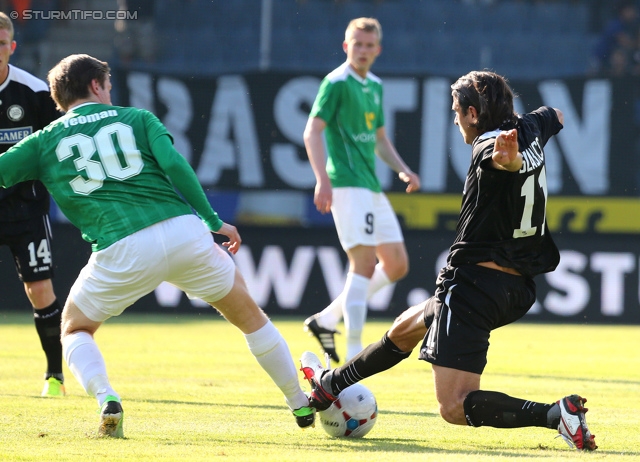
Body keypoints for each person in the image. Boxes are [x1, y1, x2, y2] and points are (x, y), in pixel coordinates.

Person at [0, 53, 314, 437]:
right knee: (251, 317)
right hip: (184, 232)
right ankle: (298, 402)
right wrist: (213, 221)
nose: (110, 93)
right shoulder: (137, 118)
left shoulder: (43, 141)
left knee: (75, 328)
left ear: (57, 98)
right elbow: (176, 167)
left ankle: (106, 399)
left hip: (121, 248)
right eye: (108, 86)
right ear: (96, 85)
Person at [300, 70, 598, 451]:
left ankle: (556, 414)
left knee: (453, 406)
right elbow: (556, 114)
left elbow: (498, 162)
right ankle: (331, 385)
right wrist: (531, 134)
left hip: (474, 285)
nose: (454, 118)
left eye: (456, 111)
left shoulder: (488, 147)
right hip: (516, 287)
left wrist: (509, 161)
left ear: (473, 114)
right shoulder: (531, 127)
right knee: (408, 325)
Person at [303, 17, 420, 363]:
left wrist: (403, 169)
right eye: (358, 44)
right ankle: (355, 354)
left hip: (371, 186)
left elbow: (380, 139)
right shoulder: (336, 83)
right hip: (347, 185)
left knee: (397, 264)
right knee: (364, 264)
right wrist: (322, 179)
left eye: (370, 45)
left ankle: (326, 320)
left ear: (378, 49)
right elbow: (312, 132)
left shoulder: (375, 85)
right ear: (346, 46)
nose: (364, 50)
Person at [0, 11, 66, 397]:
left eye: (1, 44)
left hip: (25, 209)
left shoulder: (35, 93)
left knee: (40, 290)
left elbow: (56, 148)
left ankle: (54, 376)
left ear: (12, 46)